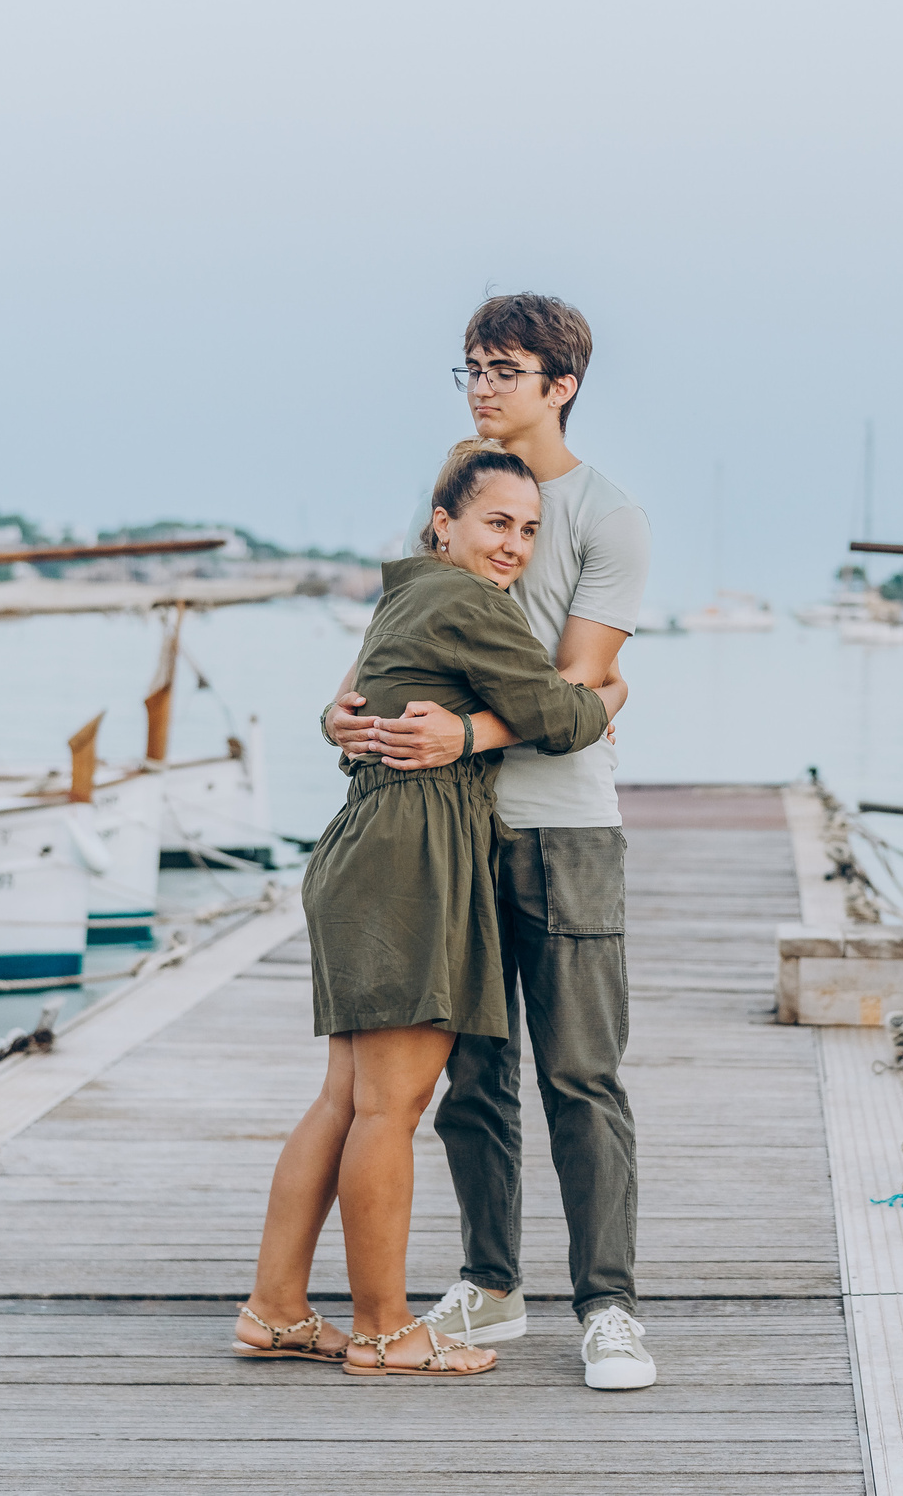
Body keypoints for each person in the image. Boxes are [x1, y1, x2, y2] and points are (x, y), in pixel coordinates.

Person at [325, 293, 657, 1390]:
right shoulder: (456, 499)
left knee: (581, 1073)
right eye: (471, 365)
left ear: (560, 385)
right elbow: (392, 659)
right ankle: (494, 1282)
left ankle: (608, 1306)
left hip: (563, 826)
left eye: (506, 367)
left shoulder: (605, 515)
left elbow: (578, 683)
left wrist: (470, 727)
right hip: (449, 833)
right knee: (475, 1075)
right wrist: (340, 718)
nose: (483, 384)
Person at [235, 439, 624, 1375]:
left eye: (530, 530)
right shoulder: (465, 601)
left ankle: (276, 1308)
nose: (515, 547)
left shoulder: (407, 593)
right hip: (407, 862)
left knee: (348, 1100)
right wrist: (610, 690)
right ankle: (384, 1328)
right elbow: (560, 715)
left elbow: (355, 712)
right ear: (443, 520)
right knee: (390, 1109)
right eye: (497, 522)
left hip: (367, 848)